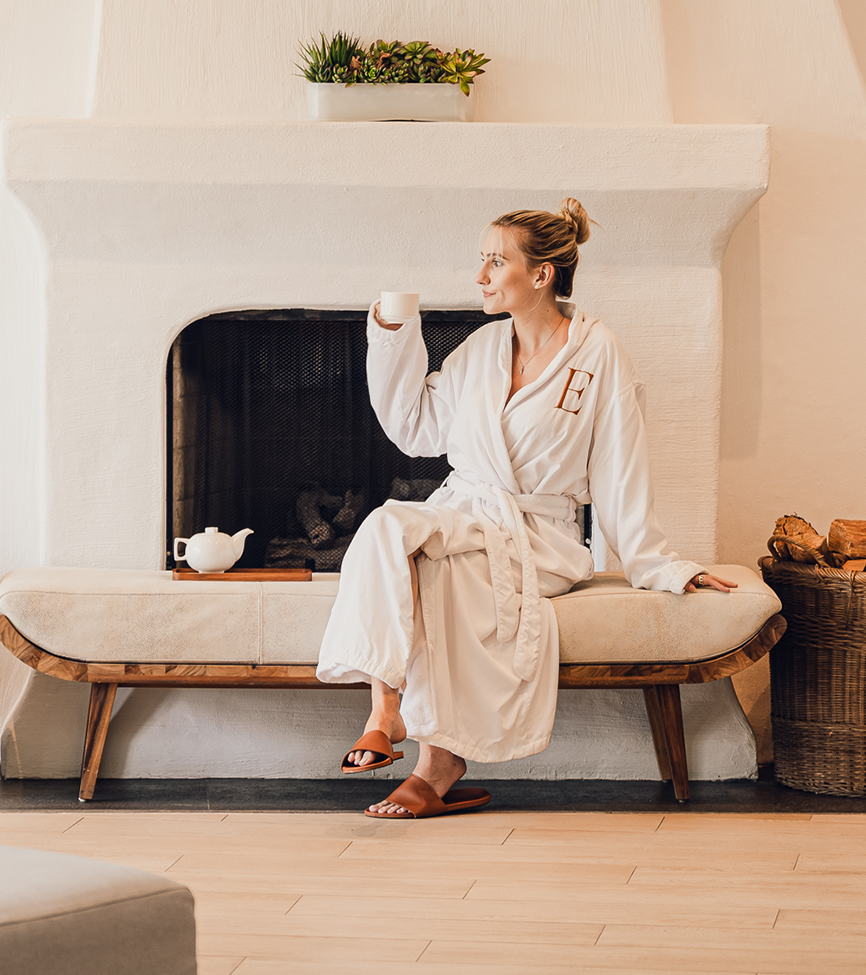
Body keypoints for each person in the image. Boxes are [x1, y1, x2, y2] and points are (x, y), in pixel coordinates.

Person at [314, 199, 736, 819]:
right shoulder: (482, 348)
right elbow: (416, 428)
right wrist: (392, 333)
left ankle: (441, 767)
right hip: (466, 511)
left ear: (540, 276)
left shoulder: (598, 356)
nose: (480, 275)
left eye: (494, 261)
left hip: (541, 533)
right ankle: (385, 710)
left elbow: (621, 469)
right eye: (480, 260)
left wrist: (661, 564)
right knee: (382, 526)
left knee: (440, 569)